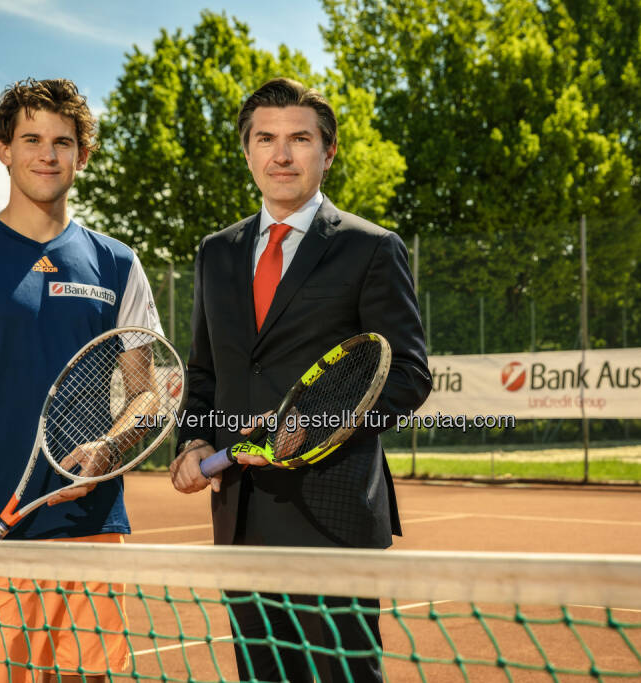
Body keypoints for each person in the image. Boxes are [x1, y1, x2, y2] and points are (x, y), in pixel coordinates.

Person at [0, 78, 160, 682]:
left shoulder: (118, 263)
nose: (48, 154)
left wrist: (110, 446)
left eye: (63, 142)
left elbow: (145, 391)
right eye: (32, 138)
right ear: (3, 149)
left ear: (82, 155)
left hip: (89, 531)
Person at [169, 77, 431, 682]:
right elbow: (206, 369)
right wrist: (196, 440)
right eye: (266, 138)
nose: (281, 155)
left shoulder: (371, 248)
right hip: (240, 518)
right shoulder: (215, 252)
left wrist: (306, 428)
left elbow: (409, 375)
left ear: (328, 151)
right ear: (248, 151)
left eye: (299, 139)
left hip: (333, 519)